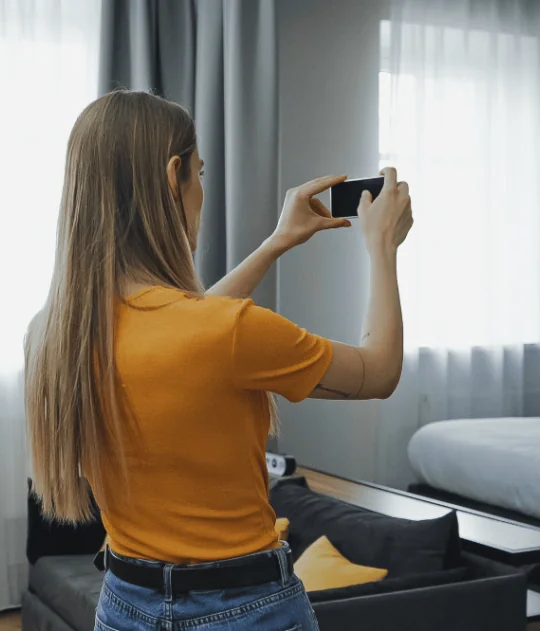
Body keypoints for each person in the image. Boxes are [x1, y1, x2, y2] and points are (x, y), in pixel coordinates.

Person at [24, 89, 413, 631]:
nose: (203, 192)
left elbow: (193, 326)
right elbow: (380, 370)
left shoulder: (55, 334)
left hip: (124, 605)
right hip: (244, 610)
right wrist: (382, 249)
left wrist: (276, 243)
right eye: (200, 175)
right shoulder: (224, 334)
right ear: (172, 176)